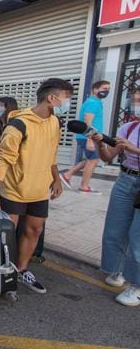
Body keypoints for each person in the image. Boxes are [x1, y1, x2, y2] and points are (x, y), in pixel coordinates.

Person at [0, 78, 71, 294]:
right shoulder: (18, 124)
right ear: (52, 99)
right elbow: (3, 159)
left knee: (34, 230)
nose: (68, 103)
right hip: (14, 191)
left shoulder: (55, 122)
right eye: (66, 98)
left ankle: (22, 269)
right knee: (7, 235)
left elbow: (51, 152)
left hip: (39, 191)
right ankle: (2, 273)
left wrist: (56, 178)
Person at [91, 91, 140, 306]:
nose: (135, 104)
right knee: (115, 228)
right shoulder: (128, 127)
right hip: (125, 179)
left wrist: (134, 149)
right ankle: (117, 270)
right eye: (134, 100)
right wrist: (101, 143)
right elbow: (108, 156)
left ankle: (137, 286)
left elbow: (131, 150)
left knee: (137, 236)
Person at [60, 80, 110, 193]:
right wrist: (90, 139)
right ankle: (84, 186)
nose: (106, 91)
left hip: (90, 136)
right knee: (93, 160)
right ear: (95, 89)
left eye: (108, 89)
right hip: (88, 136)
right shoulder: (93, 102)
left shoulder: (95, 102)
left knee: (90, 159)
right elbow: (88, 120)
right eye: (104, 89)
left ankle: (67, 175)